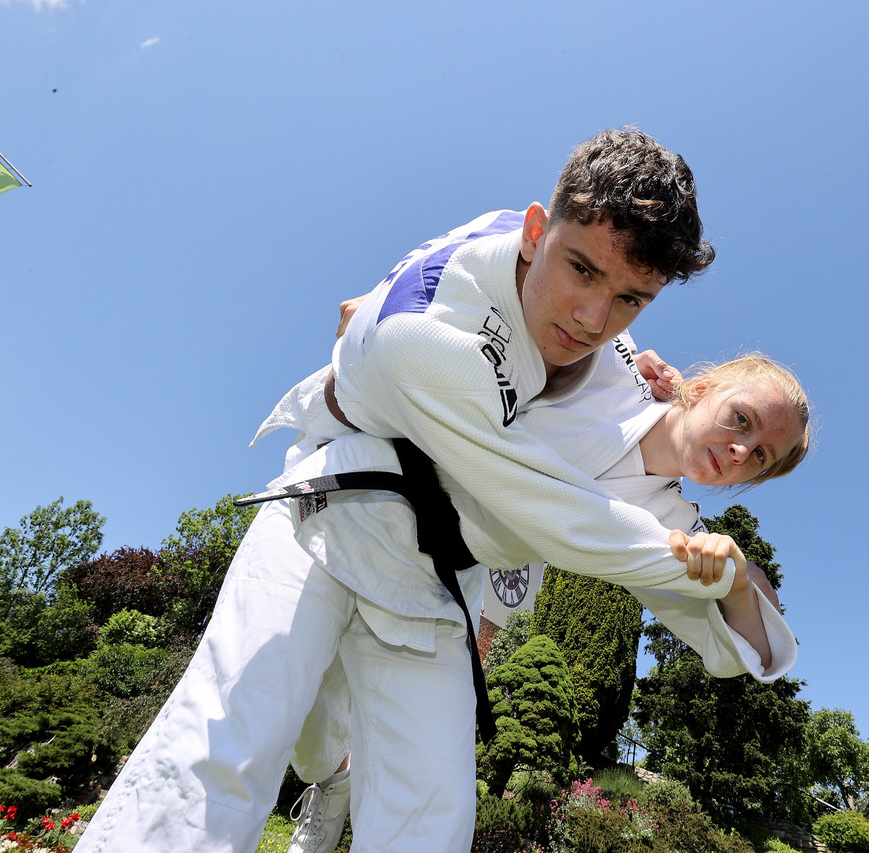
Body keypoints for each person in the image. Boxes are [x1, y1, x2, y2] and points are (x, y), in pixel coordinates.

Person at [78, 128, 759, 853]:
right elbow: (560, 516)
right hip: (331, 510)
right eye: (581, 269)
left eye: (630, 298)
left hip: (435, 587)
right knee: (231, 737)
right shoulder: (431, 315)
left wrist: (735, 577)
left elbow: (727, 626)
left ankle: (333, 766)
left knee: (430, 826)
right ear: (535, 231)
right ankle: (330, 770)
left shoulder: (623, 377)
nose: (593, 319)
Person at [282, 338, 812, 853]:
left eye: (761, 457)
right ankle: (331, 777)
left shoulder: (670, 530)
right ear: (701, 389)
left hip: (447, 574)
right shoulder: (613, 359)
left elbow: (756, 646)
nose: (742, 449)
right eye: (741, 418)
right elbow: (504, 295)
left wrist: (738, 580)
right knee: (303, 709)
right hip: (370, 489)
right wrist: (380, 307)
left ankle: (341, 781)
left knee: (432, 793)